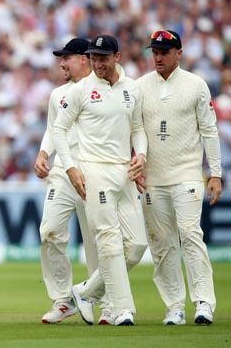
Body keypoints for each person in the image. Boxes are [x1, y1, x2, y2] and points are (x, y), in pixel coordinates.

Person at [52, 34, 148, 326]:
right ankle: (121, 309)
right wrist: (70, 167)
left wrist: (141, 155)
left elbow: (138, 128)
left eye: (103, 58)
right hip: (94, 170)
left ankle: (87, 291)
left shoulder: (132, 88)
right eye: (94, 58)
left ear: (117, 57)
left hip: (124, 171)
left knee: (136, 246)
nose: (98, 64)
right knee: (108, 240)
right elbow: (59, 130)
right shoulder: (81, 90)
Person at [137, 29, 222, 325]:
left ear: (179, 53)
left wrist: (216, 173)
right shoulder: (140, 86)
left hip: (187, 173)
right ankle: (174, 306)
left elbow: (209, 130)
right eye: (155, 52)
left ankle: (203, 303)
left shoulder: (196, 85)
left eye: (164, 52)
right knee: (161, 244)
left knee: (189, 233)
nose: (158, 57)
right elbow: (134, 131)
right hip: (152, 178)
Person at [33, 38, 99, 324]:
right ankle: (62, 300)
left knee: (98, 240)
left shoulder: (101, 89)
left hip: (94, 173)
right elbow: (52, 129)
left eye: (67, 58)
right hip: (62, 173)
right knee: (49, 231)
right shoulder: (57, 94)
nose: (61, 63)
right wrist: (43, 153)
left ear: (83, 59)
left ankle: (100, 298)